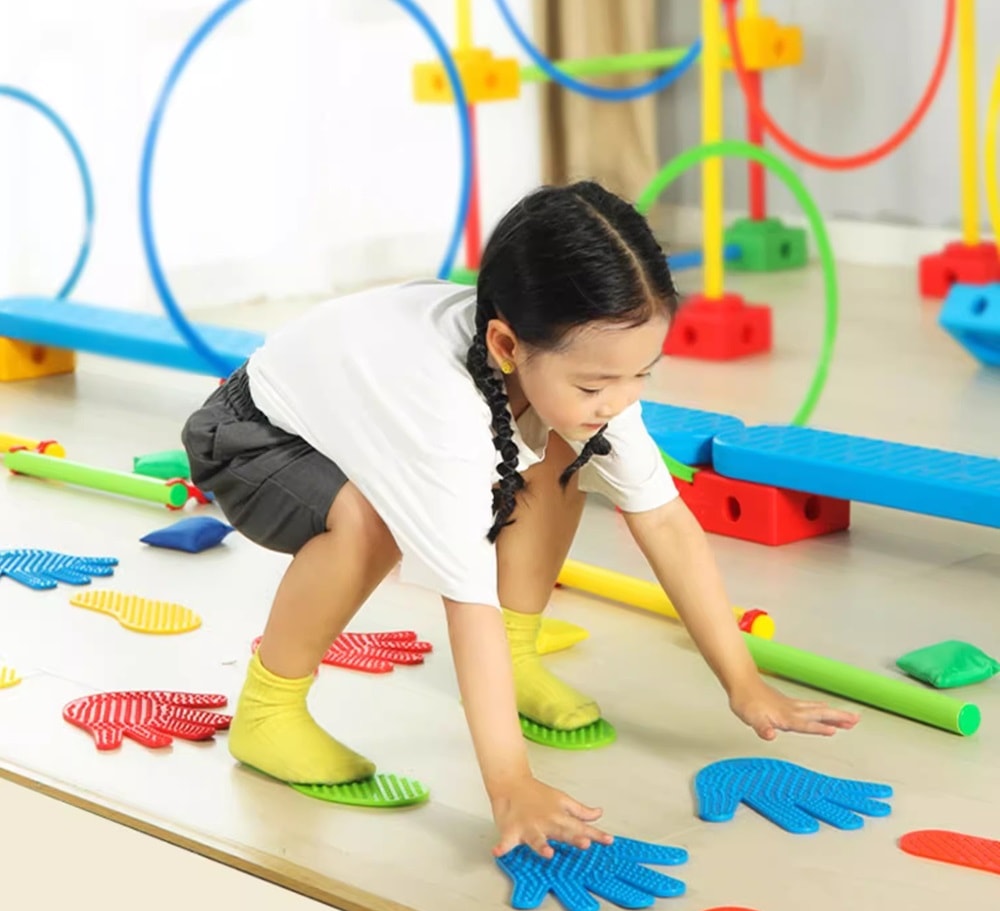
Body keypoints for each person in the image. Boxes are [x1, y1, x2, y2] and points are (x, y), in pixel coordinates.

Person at [181, 180, 859, 860]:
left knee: (568, 446)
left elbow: (665, 523)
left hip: (365, 411)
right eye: (595, 385)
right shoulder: (443, 416)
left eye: (642, 375)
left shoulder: (579, 373)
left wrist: (745, 684)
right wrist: (511, 785)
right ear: (506, 344)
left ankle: (518, 653)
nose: (618, 402)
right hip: (255, 436)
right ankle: (269, 710)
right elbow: (465, 600)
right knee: (369, 521)